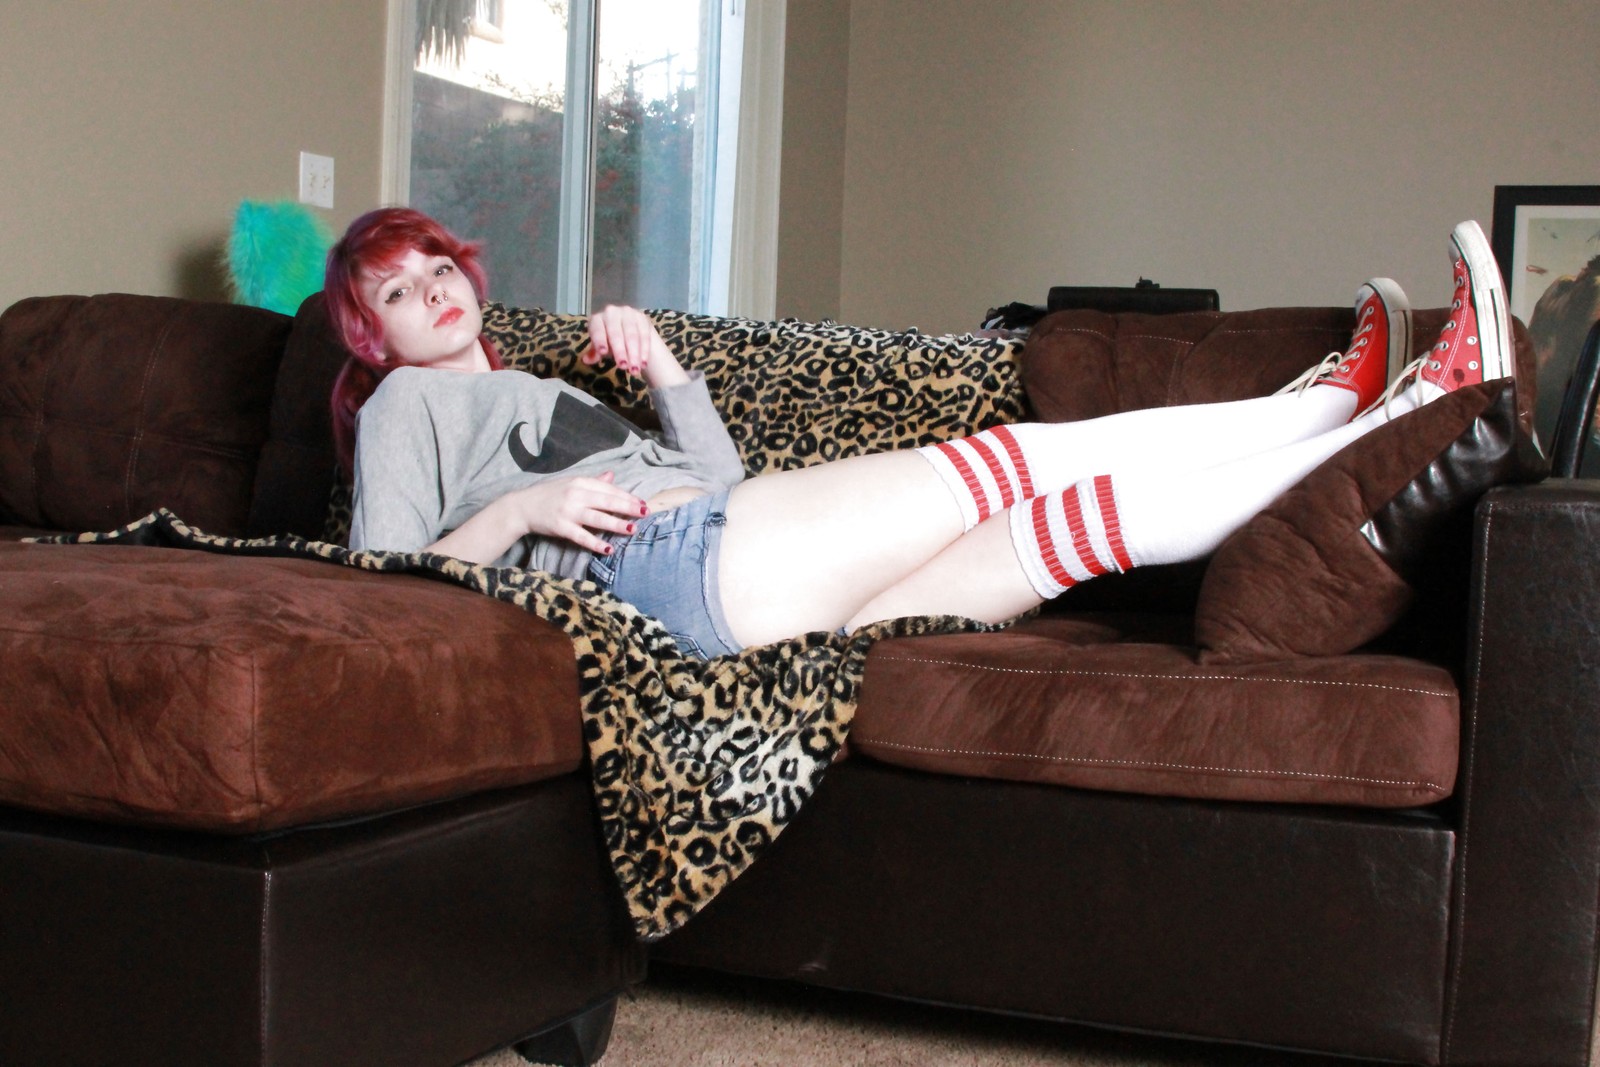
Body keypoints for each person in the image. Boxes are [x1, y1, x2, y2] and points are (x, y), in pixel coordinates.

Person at [327, 208, 1513, 659]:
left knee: (1065, 526)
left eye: (438, 265)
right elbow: (377, 589)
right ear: (370, 333)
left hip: (721, 583)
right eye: (396, 289)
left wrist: (668, 370)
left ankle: (1385, 415)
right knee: (1014, 461)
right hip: (664, 572)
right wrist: (523, 507)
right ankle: (1333, 407)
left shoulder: (539, 385)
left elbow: (720, 479)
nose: (431, 289)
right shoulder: (402, 404)